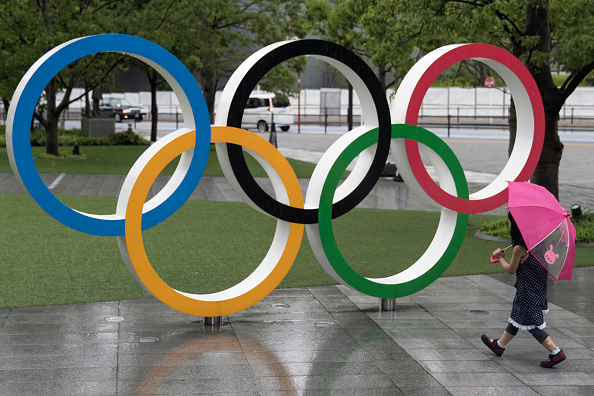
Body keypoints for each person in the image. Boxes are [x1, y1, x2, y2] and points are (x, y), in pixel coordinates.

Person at [481, 212, 566, 368]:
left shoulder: (520, 248)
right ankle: (499, 345)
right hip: (537, 289)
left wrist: (500, 258)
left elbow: (510, 269)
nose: (509, 224)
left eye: (510, 222)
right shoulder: (539, 243)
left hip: (528, 292)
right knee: (517, 316)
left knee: (533, 324)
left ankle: (555, 352)